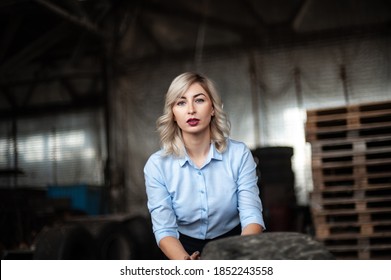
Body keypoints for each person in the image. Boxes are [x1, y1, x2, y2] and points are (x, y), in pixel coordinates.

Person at [144, 72, 265, 260]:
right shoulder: (157, 165)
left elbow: (252, 216)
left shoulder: (239, 154)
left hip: (237, 242)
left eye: (199, 100)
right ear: (173, 113)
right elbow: (164, 229)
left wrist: (237, 258)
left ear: (213, 108)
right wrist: (186, 263)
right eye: (181, 102)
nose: (191, 110)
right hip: (182, 247)